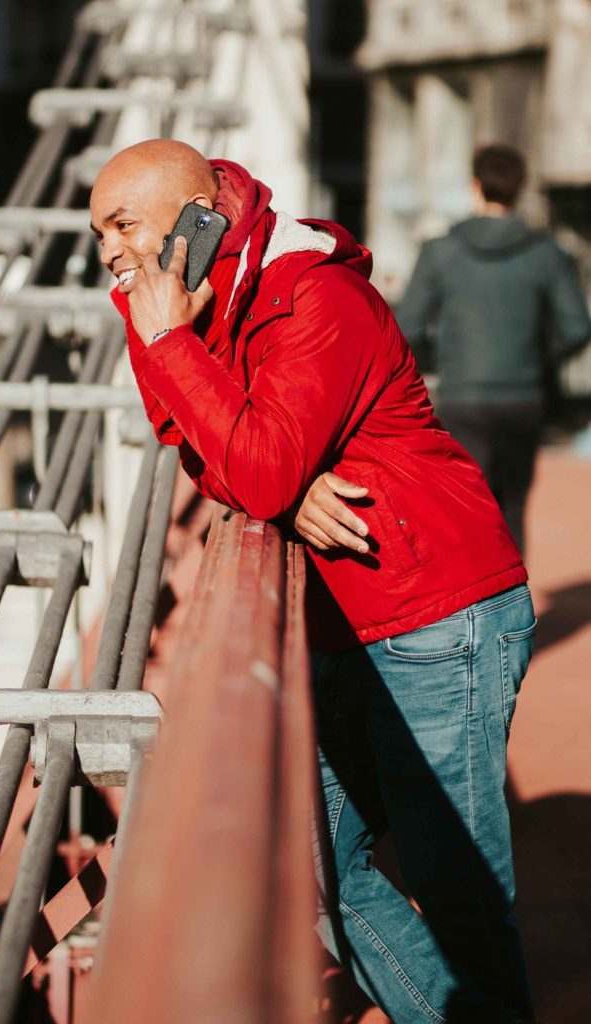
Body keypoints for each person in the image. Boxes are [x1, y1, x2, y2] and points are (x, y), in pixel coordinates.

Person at [90, 139, 537, 1023]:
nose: (108, 248)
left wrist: (180, 352)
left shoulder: (311, 294)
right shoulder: (161, 311)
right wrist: (285, 497)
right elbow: (196, 448)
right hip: (345, 621)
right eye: (97, 231)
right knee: (301, 866)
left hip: (439, 611)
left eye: (122, 223)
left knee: (456, 887)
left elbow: (248, 465)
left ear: (197, 212)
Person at [394, 143, 591, 554]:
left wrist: (444, 359)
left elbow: (407, 327)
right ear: (519, 190)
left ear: (476, 186)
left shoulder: (440, 251)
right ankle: (518, 611)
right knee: (514, 505)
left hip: (463, 395)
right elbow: (577, 327)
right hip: (523, 396)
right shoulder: (547, 253)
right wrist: (538, 358)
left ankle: (479, 613)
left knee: (466, 507)